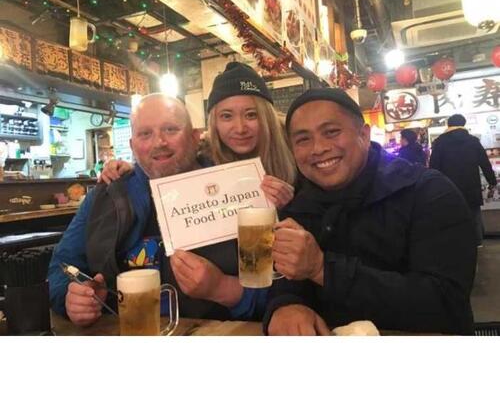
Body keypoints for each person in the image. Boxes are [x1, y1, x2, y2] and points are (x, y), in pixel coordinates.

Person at [263, 88, 477, 335]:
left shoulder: (428, 192)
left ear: (364, 135)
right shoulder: (298, 206)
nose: (318, 148)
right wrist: (285, 305)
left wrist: (323, 269)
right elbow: (285, 282)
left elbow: (445, 302)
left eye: (331, 132)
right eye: (303, 139)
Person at [96, 62, 297, 323]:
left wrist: (287, 209)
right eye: (226, 116)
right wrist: (132, 169)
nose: (239, 128)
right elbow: (163, 160)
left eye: (251, 114)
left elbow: (278, 277)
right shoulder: (206, 162)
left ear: (266, 116)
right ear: (213, 124)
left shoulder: (297, 159)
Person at [48, 94, 264, 326]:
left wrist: (223, 288)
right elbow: (61, 267)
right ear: (132, 145)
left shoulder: (234, 190)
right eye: (145, 134)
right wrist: (73, 298)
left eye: (171, 130)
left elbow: (272, 288)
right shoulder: (105, 196)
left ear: (194, 138)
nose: (159, 142)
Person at [429, 113, 497, 247]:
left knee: (451, 214)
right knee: (474, 212)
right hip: (471, 184)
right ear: (463, 124)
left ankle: (457, 243)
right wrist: (492, 181)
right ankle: (477, 241)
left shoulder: (440, 142)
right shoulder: (473, 141)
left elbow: (434, 166)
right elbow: (485, 163)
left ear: (448, 124)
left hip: (448, 186)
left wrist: (433, 185)